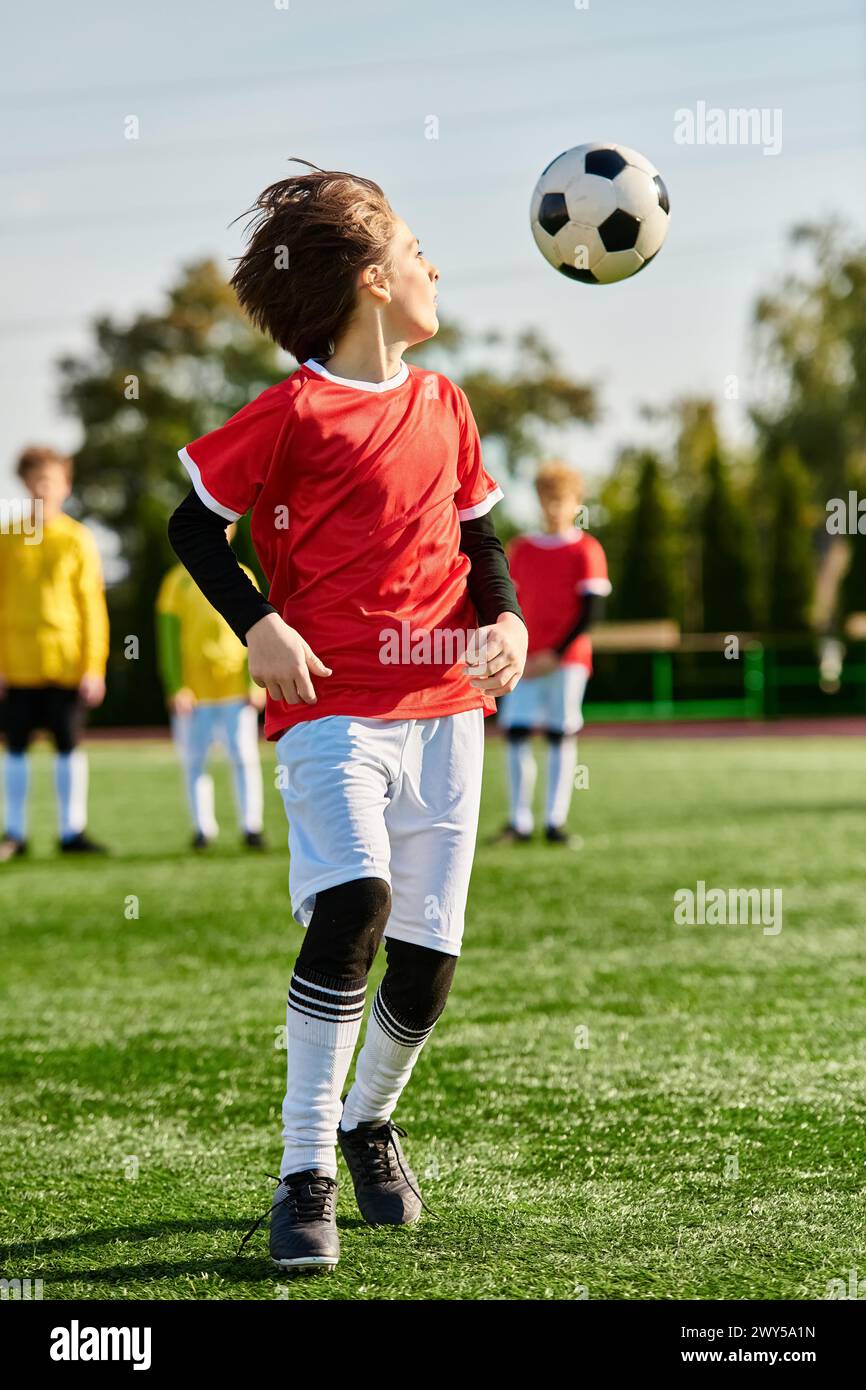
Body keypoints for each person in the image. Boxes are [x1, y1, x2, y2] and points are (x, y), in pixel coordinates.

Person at [167, 160, 527, 1272]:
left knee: (425, 964)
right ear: (373, 281)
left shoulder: (447, 403)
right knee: (354, 905)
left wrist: (505, 621)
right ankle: (300, 1170)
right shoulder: (291, 413)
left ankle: (370, 1120)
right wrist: (256, 624)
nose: (432, 266)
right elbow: (193, 528)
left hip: (447, 710)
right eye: (416, 249)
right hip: (330, 712)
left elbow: (480, 542)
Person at [0, 445, 109, 860]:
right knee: (14, 746)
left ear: (66, 485)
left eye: (53, 480)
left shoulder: (79, 539)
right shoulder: (7, 539)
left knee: (68, 745)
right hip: (17, 663)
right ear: (26, 483)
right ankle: (14, 833)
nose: (44, 487)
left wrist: (93, 666)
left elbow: (91, 607)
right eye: (37, 479)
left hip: (66, 662)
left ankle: (71, 832)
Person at [497, 460, 610, 845]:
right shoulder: (521, 548)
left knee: (561, 734)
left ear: (577, 503)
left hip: (567, 661)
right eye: (546, 498)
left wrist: (555, 654)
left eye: (560, 499)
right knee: (515, 733)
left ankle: (554, 821)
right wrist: (520, 651)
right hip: (525, 662)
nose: (552, 507)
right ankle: (519, 822)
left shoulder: (587, 549)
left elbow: (591, 612)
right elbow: (507, 602)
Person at [155, 524, 267, 850]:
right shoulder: (176, 583)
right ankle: (203, 829)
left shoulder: (244, 573)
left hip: (235, 690)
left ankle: (252, 826)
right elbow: (168, 639)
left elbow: (257, 630)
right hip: (195, 694)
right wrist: (176, 686)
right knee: (195, 762)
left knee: (244, 758)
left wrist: (253, 683)